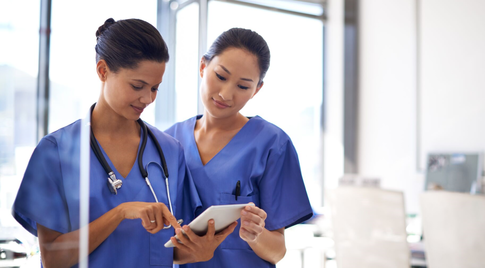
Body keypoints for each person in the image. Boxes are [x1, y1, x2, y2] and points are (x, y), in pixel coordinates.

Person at [11, 18, 232, 268]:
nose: (147, 98)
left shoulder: (170, 151)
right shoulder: (55, 152)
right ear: (103, 71)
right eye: (137, 86)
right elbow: (53, 259)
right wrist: (120, 213)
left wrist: (198, 252)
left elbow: (173, 248)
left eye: (155, 88)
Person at [165, 27, 313, 267]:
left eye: (243, 87)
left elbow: (277, 252)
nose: (225, 94)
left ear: (257, 89)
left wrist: (256, 235)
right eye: (221, 77)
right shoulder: (168, 142)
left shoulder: (272, 144)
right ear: (203, 67)